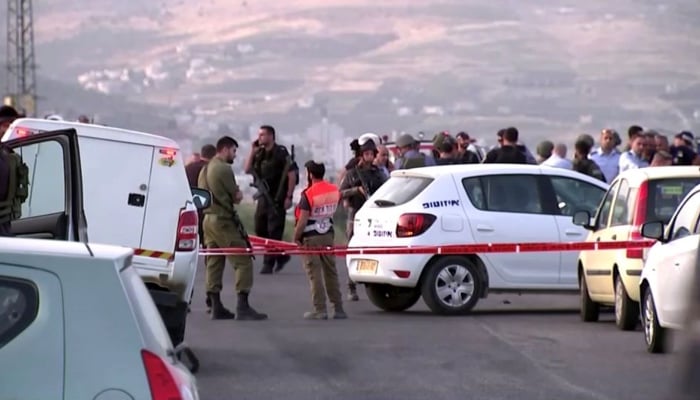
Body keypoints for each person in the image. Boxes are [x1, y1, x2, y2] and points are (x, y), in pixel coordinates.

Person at [199, 136, 267, 321]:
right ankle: (242, 306)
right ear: (226, 149)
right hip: (223, 221)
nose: (235, 156)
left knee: (214, 261)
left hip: (208, 220)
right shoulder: (223, 168)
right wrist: (237, 193)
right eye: (234, 151)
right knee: (243, 261)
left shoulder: (205, 169)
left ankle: (215, 306)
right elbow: (236, 197)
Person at [293, 160, 347, 320]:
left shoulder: (308, 194)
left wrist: (296, 237)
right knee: (331, 272)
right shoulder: (333, 190)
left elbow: (302, 221)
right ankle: (338, 308)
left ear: (310, 174)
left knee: (314, 274)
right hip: (328, 235)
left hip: (311, 238)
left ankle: (320, 309)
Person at [244, 125, 298, 275]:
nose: (259, 138)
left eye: (263, 135)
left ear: (271, 136)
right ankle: (281, 256)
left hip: (277, 197)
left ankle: (268, 263)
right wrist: (252, 151)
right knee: (260, 228)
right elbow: (247, 169)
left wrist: (289, 196)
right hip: (263, 198)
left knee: (274, 231)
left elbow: (291, 174)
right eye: (259, 135)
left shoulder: (280, 153)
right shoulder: (259, 153)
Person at [340, 139, 388, 301]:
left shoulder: (378, 172)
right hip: (356, 214)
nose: (369, 157)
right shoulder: (353, 173)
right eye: (366, 154)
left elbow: (387, 189)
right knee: (352, 249)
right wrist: (356, 190)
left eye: (371, 154)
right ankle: (351, 286)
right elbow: (340, 192)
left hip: (373, 214)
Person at [186, 144, 217, 244]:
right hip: (204, 211)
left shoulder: (188, 167)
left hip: (188, 209)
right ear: (214, 155)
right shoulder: (211, 170)